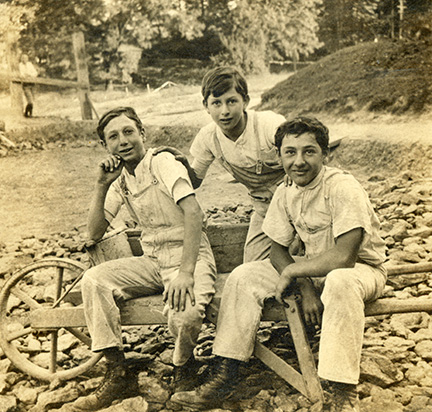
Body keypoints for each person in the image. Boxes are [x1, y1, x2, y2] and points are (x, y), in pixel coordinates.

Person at [171, 117, 387, 412]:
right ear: (280, 155)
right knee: (244, 275)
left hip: (361, 271)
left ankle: (342, 389)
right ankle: (226, 374)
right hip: (313, 269)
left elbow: (344, 257)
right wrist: (304, 285)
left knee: (339, 281)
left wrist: (294, 272)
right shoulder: (286, 191)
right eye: (290, 152)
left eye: (309, 152)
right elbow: (277, 251)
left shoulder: (342, 187)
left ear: (326, 154)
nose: (299, 161)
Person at [70, 107, 216, 411]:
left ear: (142, 134)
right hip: (153, 260)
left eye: (128, 132)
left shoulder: (162, 162)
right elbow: (94, 232)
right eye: (113, 137)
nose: (123, 141)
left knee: (186, 315)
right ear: (106, 147)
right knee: (94, 279)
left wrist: (186, 273)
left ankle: (183, 367)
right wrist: (101, 185)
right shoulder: (120, 180)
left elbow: (194, 213)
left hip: (189, 256)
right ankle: (117, 370)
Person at [157, 66, 286, 262]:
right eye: (216, 103)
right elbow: (195, 181)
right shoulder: (208, 138)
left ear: (246, 101)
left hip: (299, 202)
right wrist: (180, 164)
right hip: (265, 210)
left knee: (304, 256)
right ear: (206, 106)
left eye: (231, 101)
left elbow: (302, 159)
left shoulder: (269, 125)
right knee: (251, 266)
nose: (224, 111)